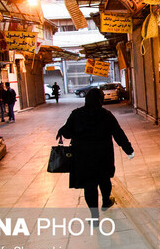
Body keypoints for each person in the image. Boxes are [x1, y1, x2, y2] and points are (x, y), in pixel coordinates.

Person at [57, 89, 134, 220]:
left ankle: (94, 216)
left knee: (89, 186)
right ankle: (105, 201)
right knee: (104, 179)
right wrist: (128, 149)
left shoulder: (76, 114)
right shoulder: (106, 115)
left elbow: (67, 133)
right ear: (100, 100)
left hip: (83, 156)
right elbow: (118, 133)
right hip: (103, 155)